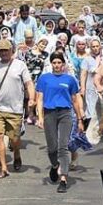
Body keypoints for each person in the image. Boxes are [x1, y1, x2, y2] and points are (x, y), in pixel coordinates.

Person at [34, 52, 85, 193]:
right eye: (54, 62)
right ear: (51, 64)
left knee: (63, 146)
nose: (57, 65)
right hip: (49, 113)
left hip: (65, 113)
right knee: (52, 148)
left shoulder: (70, 79)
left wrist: (80, 119)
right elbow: (40, 99)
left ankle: (63, 178)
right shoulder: (44, 79)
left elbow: (75, 100)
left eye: (59, 62)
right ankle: (55, 165)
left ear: (63, 64)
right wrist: (40, 117)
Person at [0, 40, 32, 178]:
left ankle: (17, 153)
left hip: (15, 109)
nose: (4, 53)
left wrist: (32, 99)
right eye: (1, 51)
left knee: (15, 139)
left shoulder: (20, 65)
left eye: (6, 50)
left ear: (11, 51)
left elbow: (29, 84)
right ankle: (4, 167)